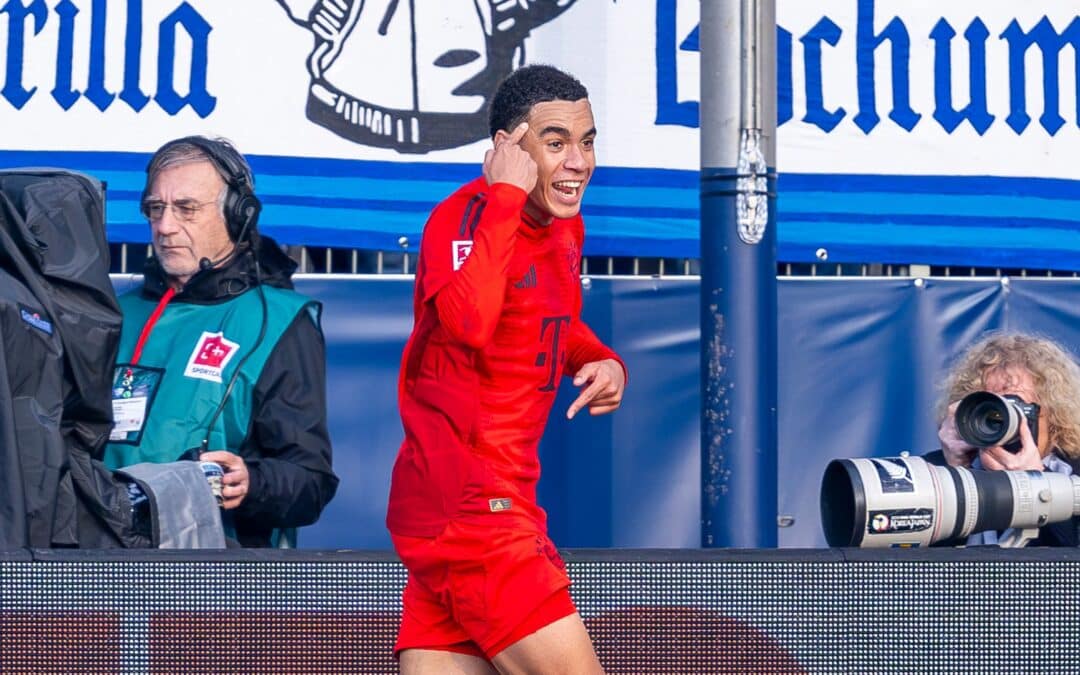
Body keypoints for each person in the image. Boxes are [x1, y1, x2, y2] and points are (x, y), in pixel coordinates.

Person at [386, 65, 627, 673]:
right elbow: (471, 320)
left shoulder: (565, 227)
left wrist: (598, 357)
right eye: (554, 143)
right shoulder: (464, 219)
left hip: (486, 504)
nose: (578, 161)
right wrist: (505, 197)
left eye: (587, 141)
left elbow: (551, 316)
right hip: (471, 510)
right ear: (506, 149)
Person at [102, 136, 339, 548]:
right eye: (155, 209)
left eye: (186, 209)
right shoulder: (111, 315)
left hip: (215, 577)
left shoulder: (278, 321)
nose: (165, 226)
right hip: (98, 560)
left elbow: (310, 481)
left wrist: (252, 483)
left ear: (236, 215)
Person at [928, 331, 1080, 546]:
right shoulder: (934, 473)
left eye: (1016, 407)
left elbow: (1071, 555)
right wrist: (955, 475)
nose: (1001, 420)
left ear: (1055, 416)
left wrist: (1037, 483)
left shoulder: (1074, 474)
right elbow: (920, 563)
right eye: (990, 407)